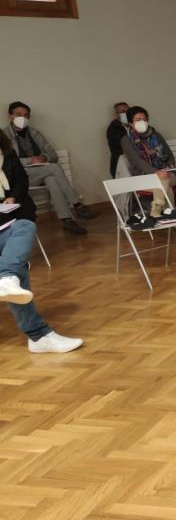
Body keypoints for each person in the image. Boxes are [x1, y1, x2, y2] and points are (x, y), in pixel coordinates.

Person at [0, 131, 83, 353]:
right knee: (15, 270)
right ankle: (38, 336)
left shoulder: (7, 155)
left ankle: (6, 278)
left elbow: (21, 181)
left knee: (25, 226)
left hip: (5, 220)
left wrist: (12, 198)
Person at [4, 102, 95, 234]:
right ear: (10, 116)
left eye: (26, 115)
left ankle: (67, 220)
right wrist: (30, 160)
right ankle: (77, 205)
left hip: (41, 171)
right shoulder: (4, 136)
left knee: (52, 179)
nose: (22, 118)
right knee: (54, 168)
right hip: (21, 177)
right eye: (18, 115)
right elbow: (9, 162)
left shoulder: (34, 133)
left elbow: (53, 154)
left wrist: (44, 158)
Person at [120, 105, 176, 231]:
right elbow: (137, 161)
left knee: (164, 178)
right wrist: (155, 172)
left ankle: (156, 211)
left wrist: (168, 168)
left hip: (167, 173)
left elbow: (169, 154)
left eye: (144, 118)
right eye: (138, 119)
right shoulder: (126, 140)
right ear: (131, 123)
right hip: (143, 177)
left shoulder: (156, 135)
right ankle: (175, 221)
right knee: (164, 184)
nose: (142, 121)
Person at [106, 101, 130, 178]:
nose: (126, 113)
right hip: (120, 166)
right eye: (123, 111)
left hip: (133, 166)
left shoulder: (134, 125)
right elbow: (124, 145)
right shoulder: (113, 128)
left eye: (128, 111)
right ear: (117, 114)